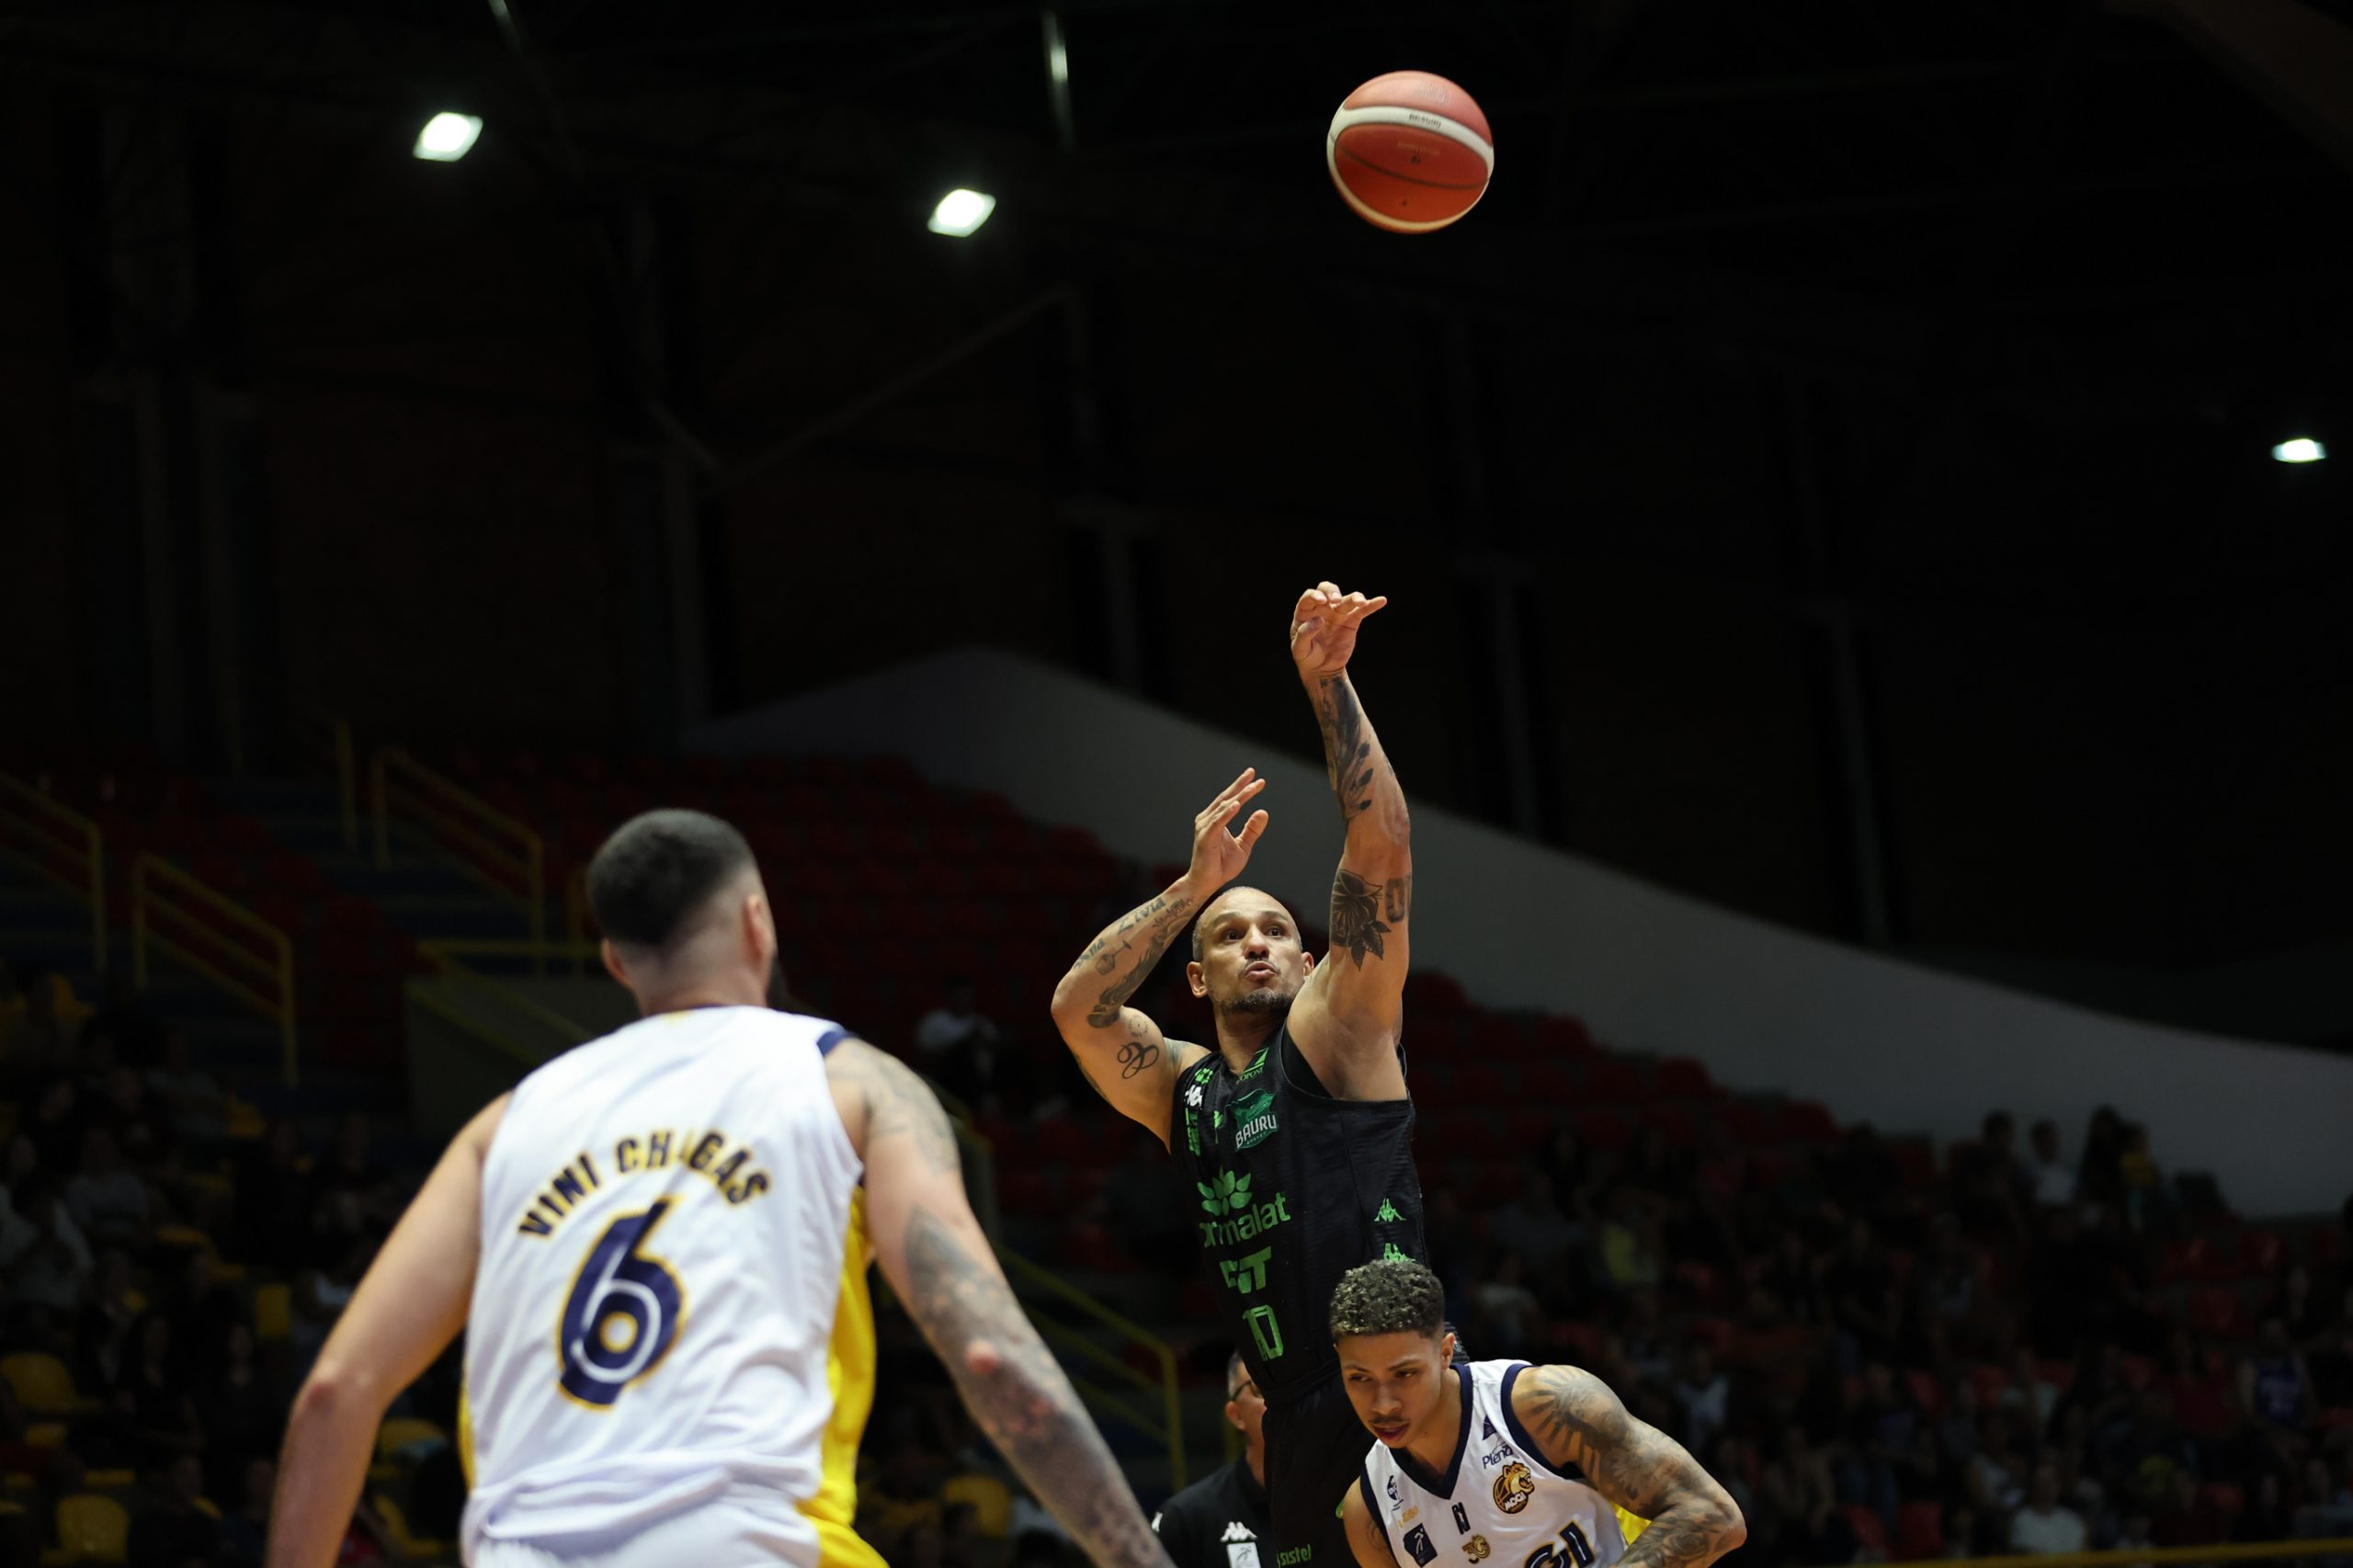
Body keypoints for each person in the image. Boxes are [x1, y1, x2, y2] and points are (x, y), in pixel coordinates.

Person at [267, 808, 1174, 1568]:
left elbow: (335, 1392)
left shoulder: (504, 1122)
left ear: (616, 962)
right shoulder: (853, 1083)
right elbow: (989, 1355)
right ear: (756, 921)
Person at [1049, 582, 1427, 1568]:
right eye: (1230, 933)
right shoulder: (1181, 1089)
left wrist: (1329, 684)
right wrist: (1192, 887)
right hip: (1294, 1410)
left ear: (1310, 959)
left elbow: (1382, 845)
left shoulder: (1338, 1033)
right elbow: (1078, 1011)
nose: (1257, 941)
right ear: (1196, 974)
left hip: (1393, 1382)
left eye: (1275, 929)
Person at [1325, 1259, 1745, 1568]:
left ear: (1444, 1353)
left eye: (1404, 1374)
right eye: (1360, 1378)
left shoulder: (1544, 1405)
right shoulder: (1368, 1511)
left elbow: (1712, 1514)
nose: (1383, 1404)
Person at [1152, 1354, 1272, 1568]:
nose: (1282, 1400)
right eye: (1262, 1389)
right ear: (1236, 1415)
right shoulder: (1186, 1519)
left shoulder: (1337, 1500)